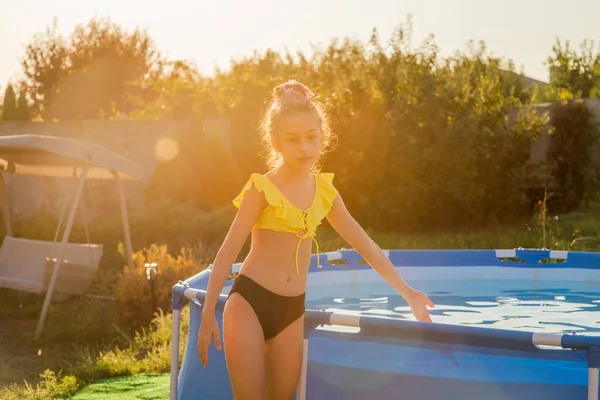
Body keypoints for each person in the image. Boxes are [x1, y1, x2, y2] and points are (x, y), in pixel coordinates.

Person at [197, 79, 435, 399]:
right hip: (248, 304)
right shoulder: (262, 189)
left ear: (323, 136)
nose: (305, 148)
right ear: (276, 142)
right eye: (293, 140)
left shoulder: (325, 192)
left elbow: (366, 245)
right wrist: (209, 312)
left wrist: (409, 293)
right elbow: (227, 251)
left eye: (312, 137)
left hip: (292, 310)